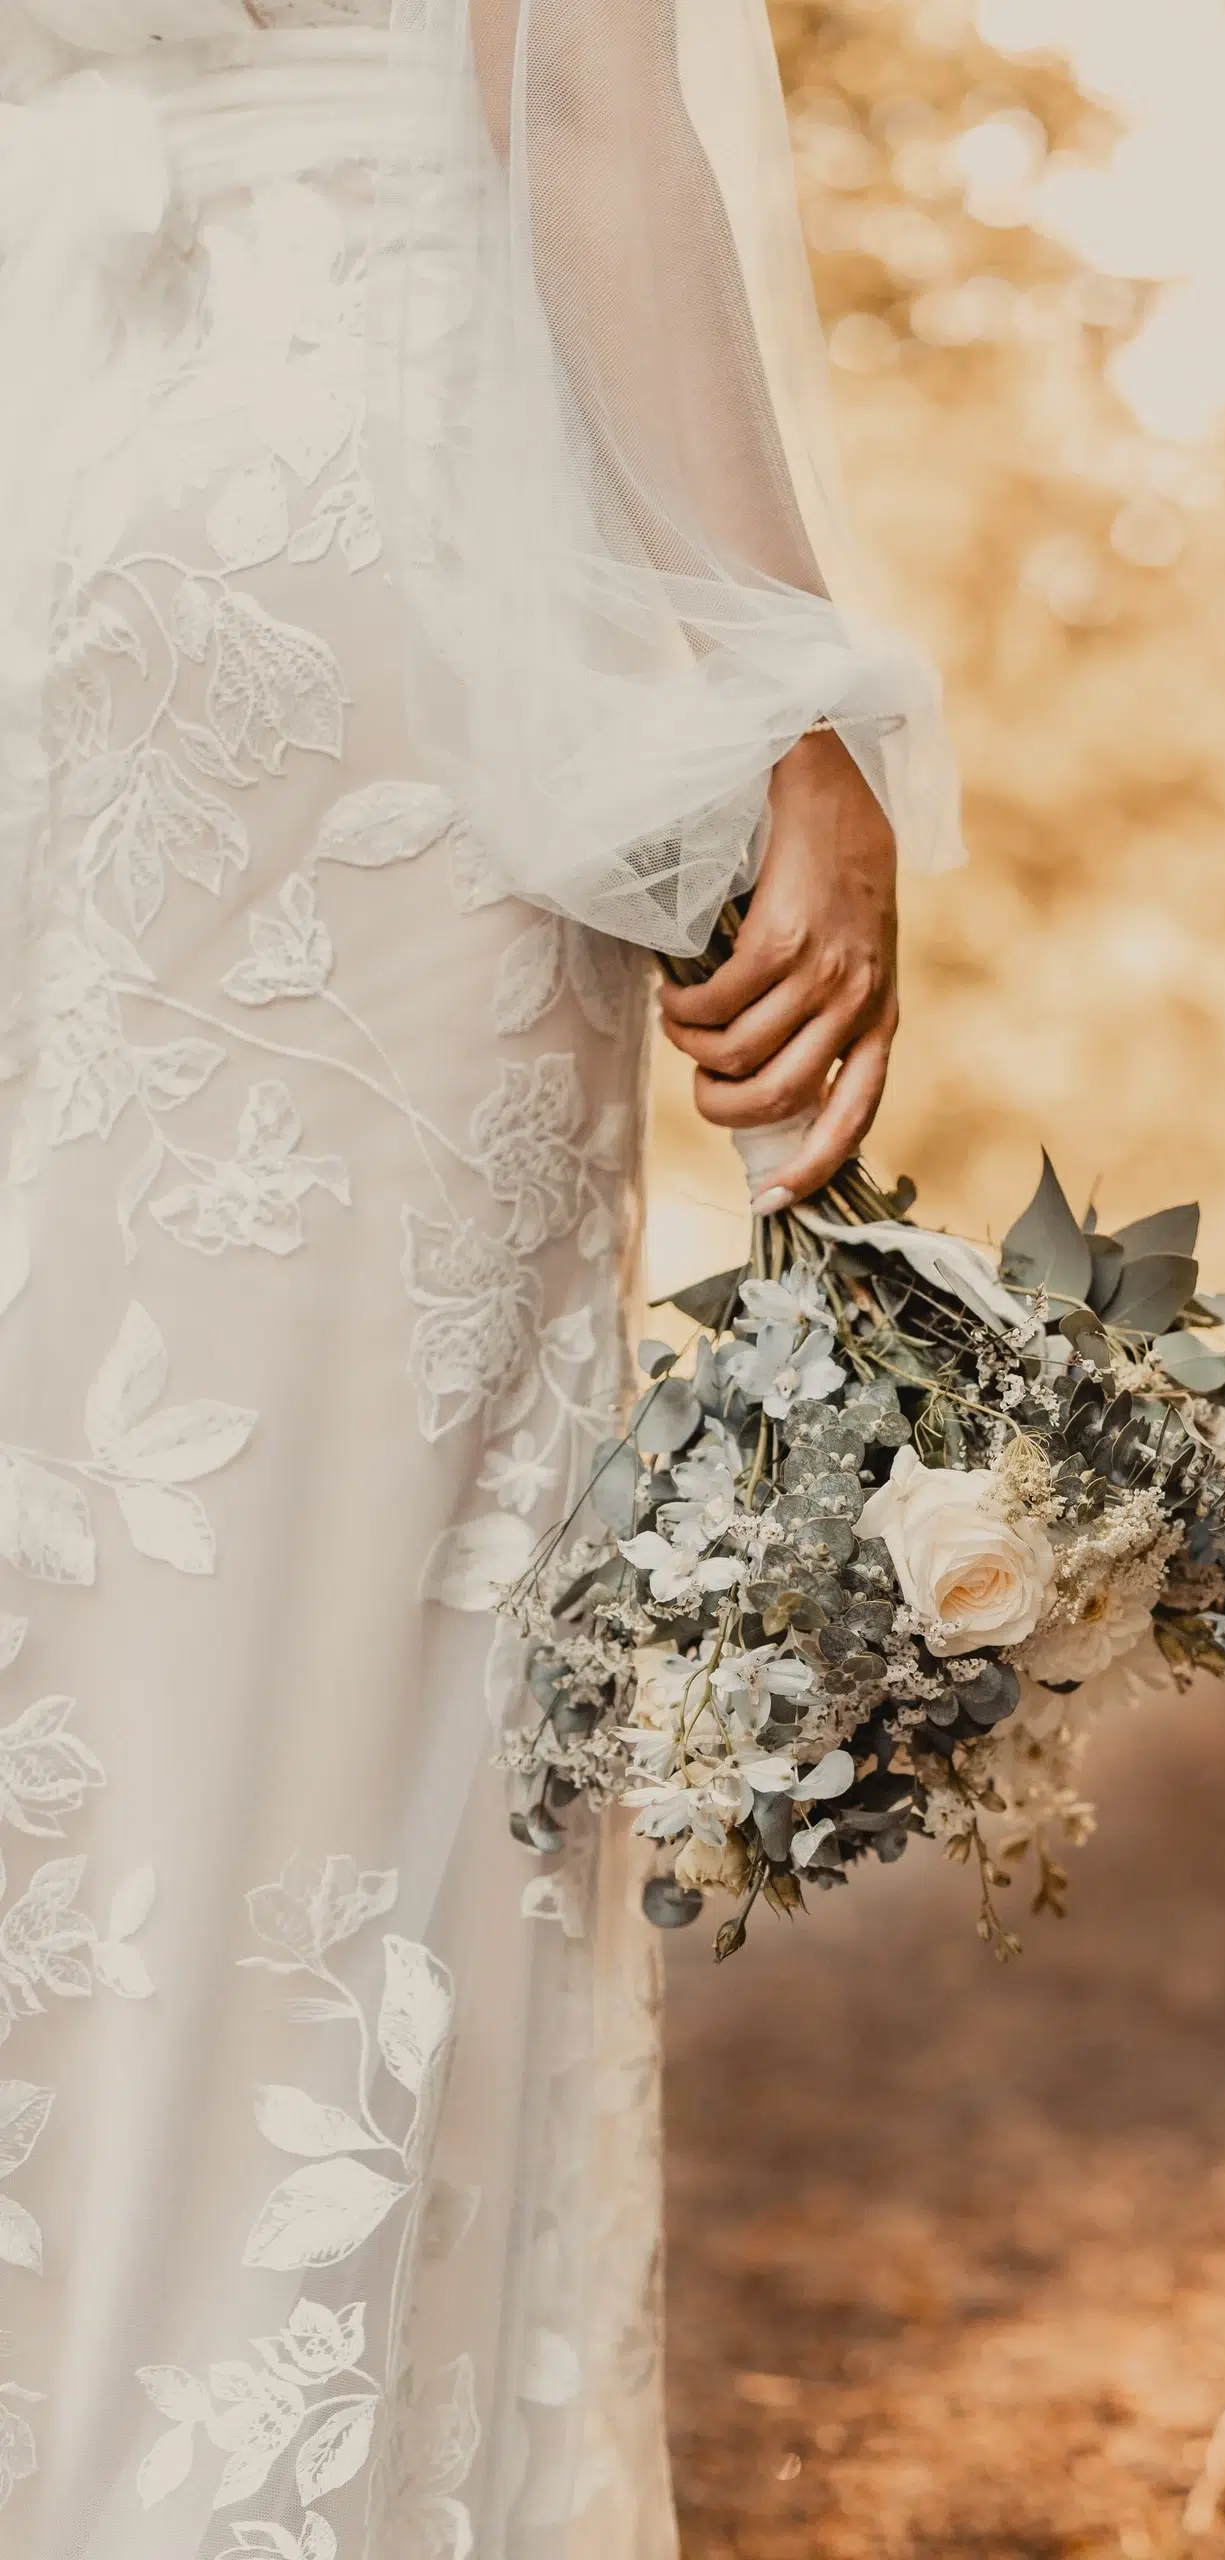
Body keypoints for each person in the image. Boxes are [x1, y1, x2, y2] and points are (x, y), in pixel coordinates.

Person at [0, 1, 956, 2551]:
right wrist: (788, 697)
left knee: (86, 1611)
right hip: (373, 602)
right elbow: (586, 107)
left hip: (65, 570)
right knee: (372, 1670)